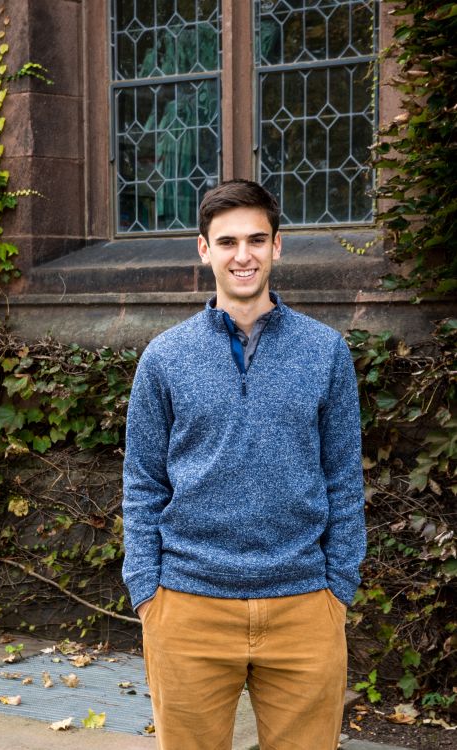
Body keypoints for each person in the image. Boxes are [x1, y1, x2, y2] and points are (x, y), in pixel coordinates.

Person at [122, 179, 366, 750]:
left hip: (304, 605)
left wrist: (339, 587)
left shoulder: (325, 351)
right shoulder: (165, 356)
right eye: (227, 242)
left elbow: (343, 477)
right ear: (204, 249)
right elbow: (142, 482)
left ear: (278, 246)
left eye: (257, 239)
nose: (243, 255)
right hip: (186, 605)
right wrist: (146, 592)